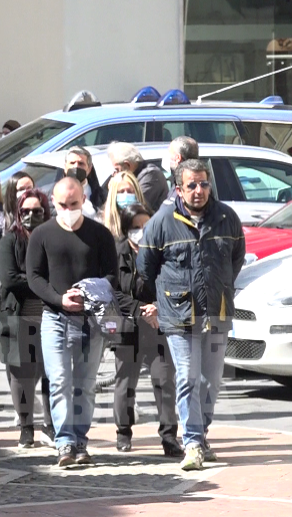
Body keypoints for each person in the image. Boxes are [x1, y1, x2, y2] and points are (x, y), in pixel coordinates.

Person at [138, 159, 245, 471]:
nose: (199, 190)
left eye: (204, 183)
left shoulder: (227, 217)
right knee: (187, 378)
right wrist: (165, 297)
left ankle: (202, 435)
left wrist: (221, 285)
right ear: (178, 189)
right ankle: (193, 443)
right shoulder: (161, 222)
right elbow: (146, 268)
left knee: (211, 381)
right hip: (179, 314)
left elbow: (236, 260)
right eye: (192, 185)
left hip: (217, 311)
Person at [27, 177, 118, 467]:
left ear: (84, 200)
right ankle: (64, 441)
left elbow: (112, 275)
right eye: (63, 205)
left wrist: (89, 293)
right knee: (59, 380)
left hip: (90, 319)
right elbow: (34, 276)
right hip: (55, 317)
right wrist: (59, 299)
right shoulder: (42, 234)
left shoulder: (99, 234)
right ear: (54, 202)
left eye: (74, 204)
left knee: (85, 384)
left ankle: (80, 441)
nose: (68, 210)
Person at [112, 203, 181, 457]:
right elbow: (111, 291)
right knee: (125, 382)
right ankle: (123, 432)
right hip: (127, 326)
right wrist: (141, 310)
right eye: (135, 227)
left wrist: (157, 307)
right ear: (126, 229)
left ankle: (169, 436)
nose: (141, 231)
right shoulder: (116, 252)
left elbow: (174, 284)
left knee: (164, 380)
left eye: (146, 226)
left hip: (158, 325)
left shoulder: (163, 251)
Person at [0, 188, 55, 448]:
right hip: (18, 318)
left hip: (50, 318)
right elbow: (9, 278)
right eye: (26, 211)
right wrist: (43, 284)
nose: (31, 215)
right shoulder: (10, 240)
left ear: (46, 212)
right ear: (18, 213)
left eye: (37, 211)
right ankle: (26, 427)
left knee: (51, 373)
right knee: (22, 376)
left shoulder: (53, 238)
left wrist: (37, 283)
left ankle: (50, 426)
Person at [107, 142, 168, 213]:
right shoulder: (136, 175)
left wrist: (113, 189)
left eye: (117, 169)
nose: (115, 174)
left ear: (127, 165)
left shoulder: (150, 175)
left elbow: (135, 207)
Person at [58, 146, 106, 216]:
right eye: (72, 163)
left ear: (89, 169)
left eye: (81, 163)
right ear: (65, 167)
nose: (76, 166)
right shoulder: (52, 193)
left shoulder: (102, 196)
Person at [102, 171, 147, 239]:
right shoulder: (102, 222)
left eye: (129, 191)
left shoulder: (147, 218)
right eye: (121, 191)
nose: (126, 194)